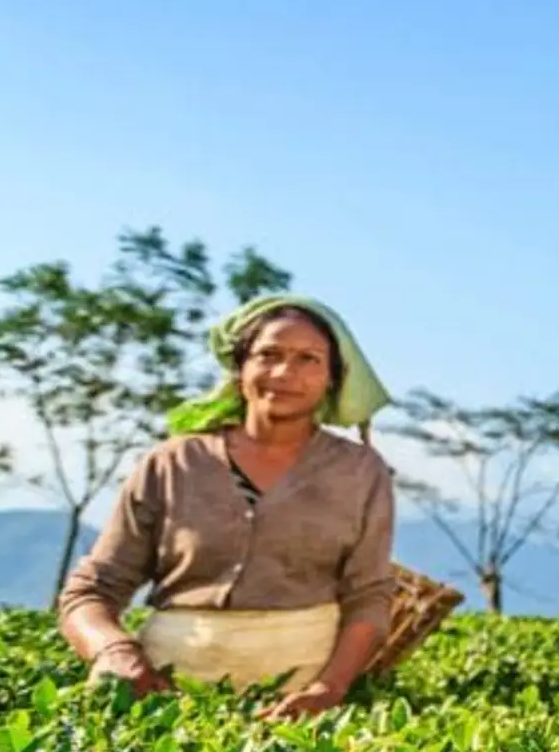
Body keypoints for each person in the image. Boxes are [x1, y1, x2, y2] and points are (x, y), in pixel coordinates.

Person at [57, 295, 397, 721]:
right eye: (268, 354)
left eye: (308, 359)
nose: (284, 373)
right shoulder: (172, 463)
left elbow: (369, 597)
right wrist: (115, 652)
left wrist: (328, 689)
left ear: (333, 378)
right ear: (240, 369)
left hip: (302, 694)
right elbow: (91, 590)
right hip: (163, 692)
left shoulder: (361, 470)